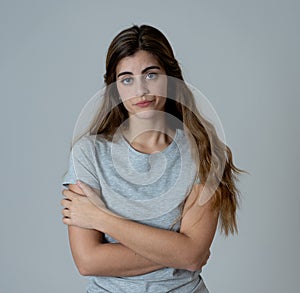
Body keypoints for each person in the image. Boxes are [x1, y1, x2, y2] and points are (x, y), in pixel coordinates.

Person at [61, 24, 242, 292]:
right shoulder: (88, 155)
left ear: (170, 77)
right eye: (126, 79)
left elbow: (192, 257)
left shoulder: (205, 153)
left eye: (151, 74)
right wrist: (178, 249)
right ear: (114, 89)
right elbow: (88, 261)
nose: (140, 90)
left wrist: (102, 219)